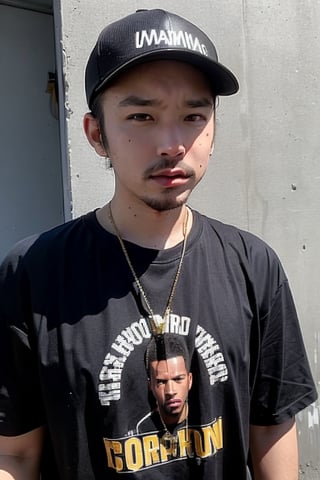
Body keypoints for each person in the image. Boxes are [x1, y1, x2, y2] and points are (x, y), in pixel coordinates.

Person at [0, 8, 317, 480]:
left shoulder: (254, 266)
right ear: (96, 134)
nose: (171, 144)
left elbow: (270, 428)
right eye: (142, 115)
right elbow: (16, 454)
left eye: (193, 115)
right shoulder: (33, 272)